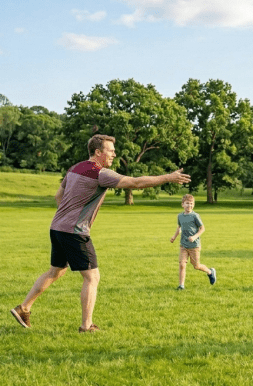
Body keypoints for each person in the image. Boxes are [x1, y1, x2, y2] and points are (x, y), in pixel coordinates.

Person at [10, 134, 191, 332]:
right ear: (98, 152)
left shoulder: (74, 168)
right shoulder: (100, 173)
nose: (114, 154)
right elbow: (136, 183)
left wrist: (67, 216)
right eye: (110, 151)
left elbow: (58, 195)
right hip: (74, 232)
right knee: (92, 277)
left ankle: (23, 308)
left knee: (56, 271)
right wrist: (168, 178)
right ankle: (86, 326)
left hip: (57, 227)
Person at [170, 194, 215, 290]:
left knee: (196, 266)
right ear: (182, 204)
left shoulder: (195, 216)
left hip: (194, 246)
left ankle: (210, 272)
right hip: (183, 245)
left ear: (193, 205)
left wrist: (194, 237)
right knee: (182, 264)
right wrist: (174, 236)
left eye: (191, 204)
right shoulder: (180, 216)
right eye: (187, 203)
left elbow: (202, 228)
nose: (189, 205)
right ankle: (181, 285)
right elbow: (179, 227)